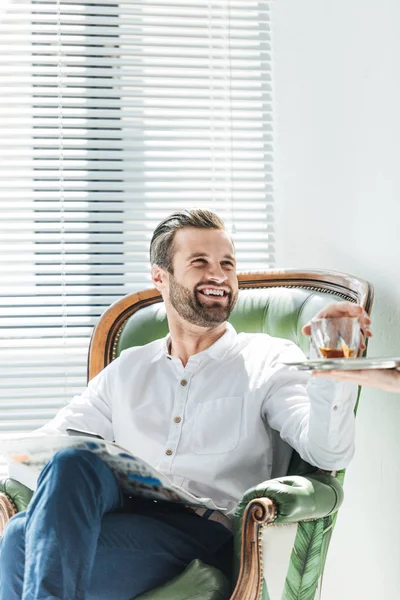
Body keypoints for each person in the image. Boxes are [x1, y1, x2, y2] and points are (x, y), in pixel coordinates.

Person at [0, 209, 372, 600]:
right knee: (66, 468)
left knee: (22, 542)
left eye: (227, 264)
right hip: (127, 517)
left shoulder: (269, 359)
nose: (219, 275)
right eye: (200, 263)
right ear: (160, 277)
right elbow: (38, 453)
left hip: (203, 535)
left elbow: (327, 451)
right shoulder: (128, 369)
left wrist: (335, 369)